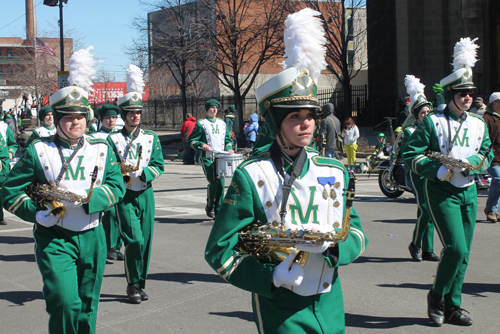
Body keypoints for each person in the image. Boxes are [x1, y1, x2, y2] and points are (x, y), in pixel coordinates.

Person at [205, 9, 368, 334]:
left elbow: (358, 233)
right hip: (279, 300)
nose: (306, 123)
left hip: (329, 297)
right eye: (294, 116)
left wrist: (336, 248)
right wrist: (269, 277)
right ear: (274, 122)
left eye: (310, 114)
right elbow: (219, 249)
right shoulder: (251, 175)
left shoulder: (335, 170)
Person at [1, 46, 126, 333]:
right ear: (57, 119)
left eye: (81, 116)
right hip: (55, 237)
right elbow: (9, 191)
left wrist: (92, 200)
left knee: (86, 305)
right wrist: (35, 212)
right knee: (64, 302)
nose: (76, 122)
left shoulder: (101, 148)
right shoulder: (38, 150)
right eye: (69, 117)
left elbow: (116, 185)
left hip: (93, 234)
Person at [403, 37, 492, 327]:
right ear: (451, 93)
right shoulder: (433, 122)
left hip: (468, 190)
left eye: (470, 92)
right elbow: (410, 153)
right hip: (441, 190)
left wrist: (478, 163)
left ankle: (454, 305)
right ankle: (436, 295)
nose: (468, 97)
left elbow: (487, 151)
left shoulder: (478, 123)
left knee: (464, 254)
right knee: (455, 248)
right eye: (462, 92)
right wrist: (435, 170)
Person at [108, 64, 165, 304]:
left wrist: (143, 173)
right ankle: (131, 283)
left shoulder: (151, 137)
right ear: (123, 115)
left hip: (146, 192)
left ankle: (141, 284)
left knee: (147, 242)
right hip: (124, 196)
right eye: (131, 112)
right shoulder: (112, 140)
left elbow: (159, 165)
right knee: (135, 240)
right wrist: (119, 174)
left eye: (138, 112)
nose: (136, 116)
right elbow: (108, 169)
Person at [402, 74, 440, 262]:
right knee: (425, 208)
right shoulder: (409, 131)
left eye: (428, 112)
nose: (426, 115)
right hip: (418, 174)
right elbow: (407, 154)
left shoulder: (433, 130)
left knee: (429, 209)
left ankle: (428, 248)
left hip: (432, 173)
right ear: (416, 115)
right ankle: (415, 244)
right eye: (423, 113)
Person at [188, 99, 234, 219]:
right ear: (207, 109)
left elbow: (228, 140)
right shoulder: (201, 124)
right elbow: (191, 141)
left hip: (221, 157)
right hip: (208, 157)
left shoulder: (222, 124)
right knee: (213, 182)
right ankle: (210, 205)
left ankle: (219, 209)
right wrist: (201, 145)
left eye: (216, 108)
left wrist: (229, 148)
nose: (214, 110)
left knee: (221, 183)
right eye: (212, 108)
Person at [90, 104, 125, 261]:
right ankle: (108, 247)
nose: (111, 121)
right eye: (107, 118)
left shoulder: (120, 136)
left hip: (122, 179)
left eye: (113, 118)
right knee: (109, 215)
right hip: (103, 179)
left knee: (120, 215)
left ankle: (116, 246)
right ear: (101, 120)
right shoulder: (96, 137)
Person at [482, 92, 500, 223]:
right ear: (495, 103)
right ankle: (491, 210)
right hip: (492, 156)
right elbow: (483, 140)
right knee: (498, 179)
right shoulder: (486, 119)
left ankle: (494, 210)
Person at [0, 109, 18, 225]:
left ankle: (0, 216)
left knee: (2, 191)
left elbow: (12, 143)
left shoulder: (4, 127)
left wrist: (10, 152)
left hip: (2, 164)